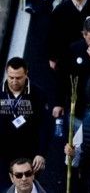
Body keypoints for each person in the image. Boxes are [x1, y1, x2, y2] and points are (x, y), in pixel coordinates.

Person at [0, 58, 50, 191]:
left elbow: (44, 127)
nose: (14, 81)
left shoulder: (38, 94)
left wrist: (41, 153)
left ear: (26, 73)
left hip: (30, 154)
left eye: (18, 78)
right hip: (3, 155)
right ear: (6, 73)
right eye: (11, 77)